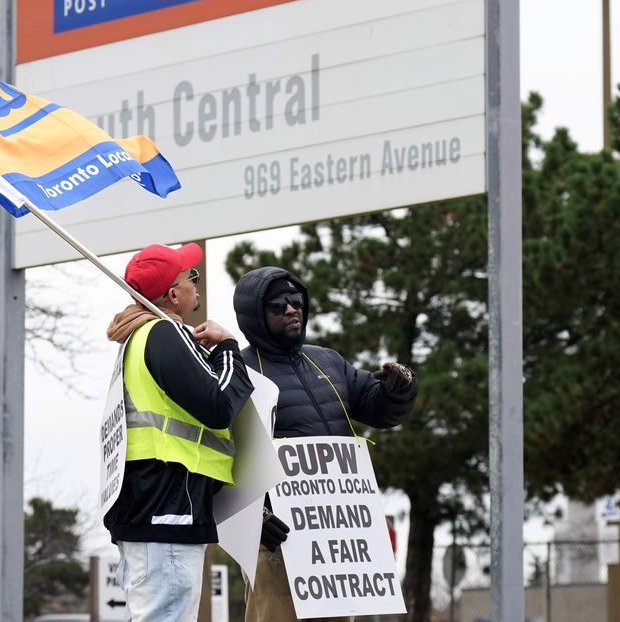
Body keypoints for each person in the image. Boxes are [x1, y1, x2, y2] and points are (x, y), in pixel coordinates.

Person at [232, 266, 418, 622]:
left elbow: (378, 407)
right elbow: (219, 451)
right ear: (255, 316)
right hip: (276, 540)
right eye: (277, 306)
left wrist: (400, 388)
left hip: (333, 542)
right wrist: (251, 515)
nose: (291, 310)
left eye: (296, 301)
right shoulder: (240, 371)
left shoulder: (327, 361)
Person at [103, 242, 254, 622]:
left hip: (151, 505)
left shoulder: (136, 339)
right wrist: (229, 348)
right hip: (167, 507)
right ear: (173, 294)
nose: (196, 286)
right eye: (191, 278)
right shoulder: (165, 333)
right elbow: (220, 405)